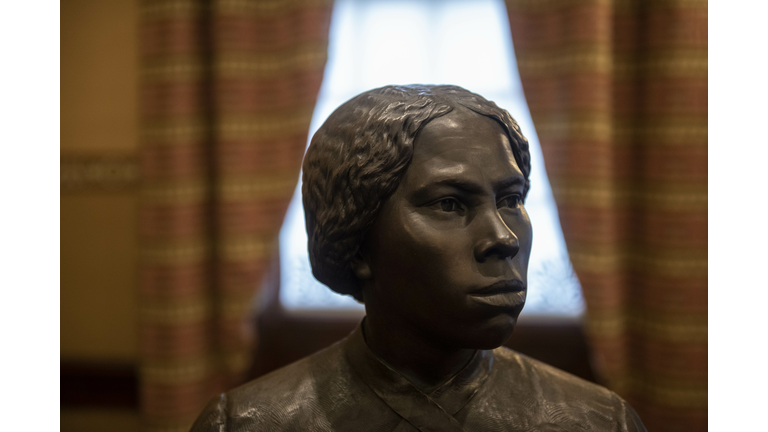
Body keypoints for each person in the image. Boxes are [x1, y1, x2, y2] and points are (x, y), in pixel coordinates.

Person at [190, 85, 646, 432]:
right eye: (449, 204)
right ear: (358, 238)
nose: (504, 238)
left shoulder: (598, 421)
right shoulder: (249, 424)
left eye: (511, 199)